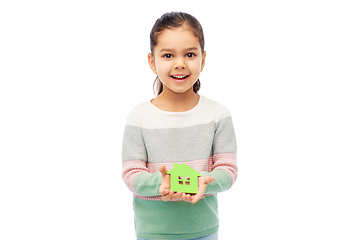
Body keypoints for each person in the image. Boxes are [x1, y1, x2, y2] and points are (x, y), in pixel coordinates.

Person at [122, 12, 237, 240]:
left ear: (203, 60)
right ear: (152, 62)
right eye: (167, 55)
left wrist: (202, 181)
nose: (180, 64)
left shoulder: (218, 115)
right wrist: (162, 183)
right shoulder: (140, 116)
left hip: (203, 231)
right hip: (153, 233)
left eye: (190, 54)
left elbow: (228, 171)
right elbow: (131, 174)